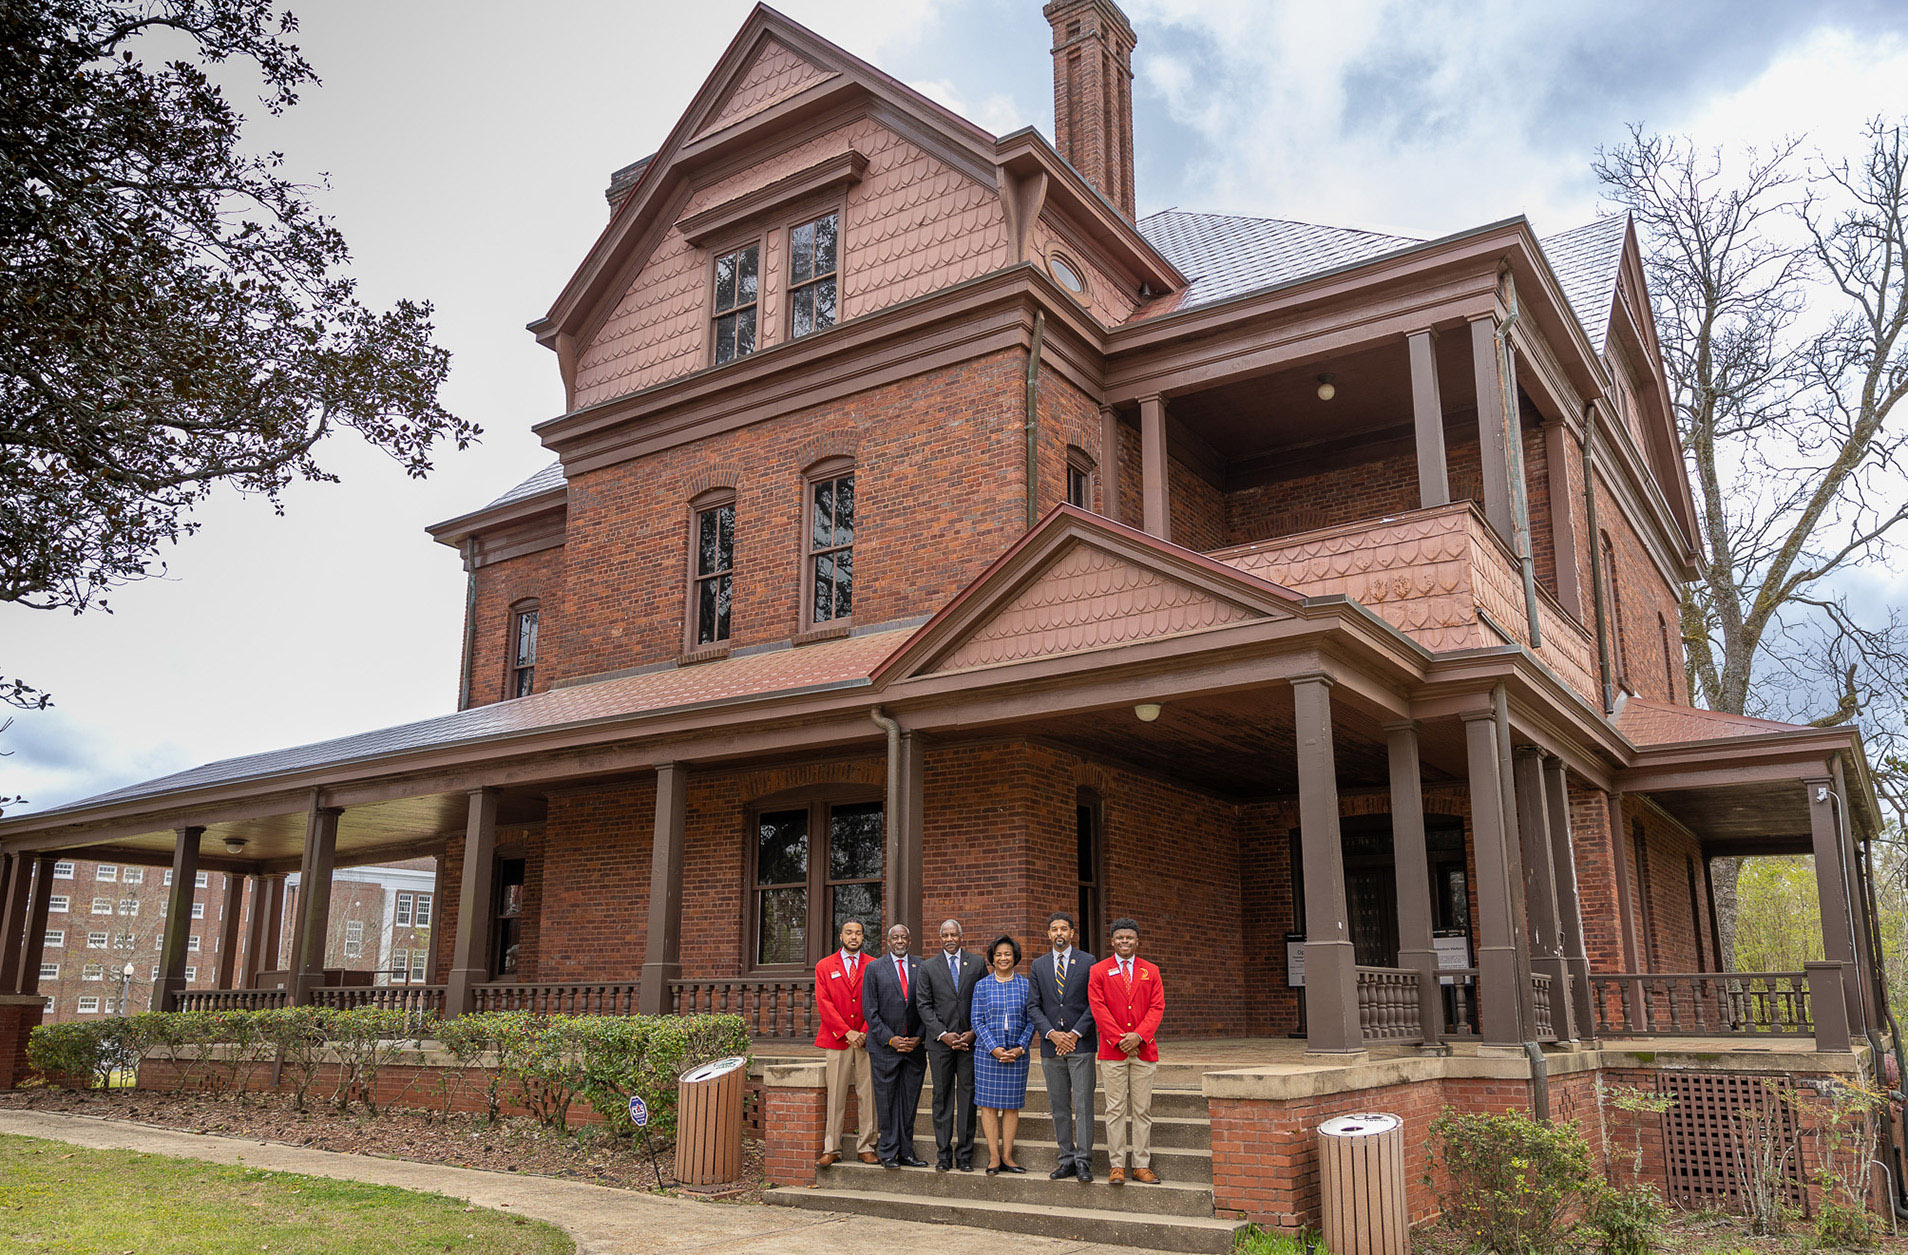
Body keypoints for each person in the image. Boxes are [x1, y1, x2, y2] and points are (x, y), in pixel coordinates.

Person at [1087, 917, 1164, 1185]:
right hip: (1113, 1051)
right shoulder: (1099, 970)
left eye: (1129, 938)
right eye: (1120, 938)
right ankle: (1117, 1165)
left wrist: (1139, 1036)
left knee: (1142, 1110)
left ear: (1137, 941)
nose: (1124, 942)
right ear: (1112, 941)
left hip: (1144, 1052)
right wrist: (1120, 1039)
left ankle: (1141, 1165)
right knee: (1115, 1109)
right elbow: (1098, 1008)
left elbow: (1157, 1007)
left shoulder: (1150, 971)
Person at [1029, 910, 1098, 1182]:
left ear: (1072, 933)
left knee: (1083, 1105)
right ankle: (1066, 1159)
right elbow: (1034, 1006)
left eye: (1064, 929)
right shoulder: (1039, 965)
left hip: (1080, 1046)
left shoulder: (1088, 961)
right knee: (1059, 1106)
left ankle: (1083, 1161)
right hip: (1051, 1048)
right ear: (1049, 934)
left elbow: (1094, 1002)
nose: (1059, 933)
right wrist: (1052, 1034)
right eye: (1054, 929)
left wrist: (1074, 1034)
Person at [916, 917, 983, 1171]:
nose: (949, 939)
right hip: (940, 1045)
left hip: (969, 1043)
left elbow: (983, 998)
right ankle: (943, 1155)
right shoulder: (928, 967)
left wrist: (973, 1032)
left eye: (953, 935)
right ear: (940, 938)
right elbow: (924, 1005)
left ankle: (964, 1155)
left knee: (968, 1098)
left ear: (961, 936)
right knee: (941, 1099)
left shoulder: (976, 963)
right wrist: (942, 1034)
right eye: (945, 935)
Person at [861, 922, 928, 1168]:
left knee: (909, 1103)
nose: (900, 941)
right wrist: (891, 1039)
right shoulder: (874, 969)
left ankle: (907, 1152)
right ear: (888, 942)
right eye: (895, 938)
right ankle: (888, 1152)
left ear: (909, 941)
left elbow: (927, 1006)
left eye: (904, 937)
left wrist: (919, 1037)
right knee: (887, 1103)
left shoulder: (923, 967)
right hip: (884, 1048)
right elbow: (870, 1011)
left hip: (915, 1048)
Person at [813, 919, 879, 1166]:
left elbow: (876, 1003)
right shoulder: (824, 965)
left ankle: (866, 1146)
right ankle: (832, 1148)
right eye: (849, 932)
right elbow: (824, 1003)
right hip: (836, 1039)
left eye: (858, 933)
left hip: (865, 1039)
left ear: (863, 937)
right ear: (840, 936)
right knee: (836, 1095)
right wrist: (845, 1031)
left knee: (867, 1094)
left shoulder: (873, 965)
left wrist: (862, 1031)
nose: (854, 937)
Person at [971, 934, 1034, 1175]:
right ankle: (994, 1157)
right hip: (988, 1055)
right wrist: (993, 1048)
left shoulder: (1026, 985)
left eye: (1007, 954)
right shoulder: (982, 986)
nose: (1003, 958)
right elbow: (977, 1020)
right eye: (998, 954)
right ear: (992, 958)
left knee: (1011, 1107)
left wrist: (1020, 1048)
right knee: (988, 1107)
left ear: (1015, 956)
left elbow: (1032, 1020)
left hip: (1017, 1053)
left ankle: (1008, 1156)